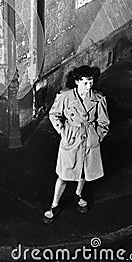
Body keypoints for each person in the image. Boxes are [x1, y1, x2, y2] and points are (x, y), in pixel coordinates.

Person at [43, 65, 110, 224]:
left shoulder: (98, 99)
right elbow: (54, 114)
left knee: (84, 171)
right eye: (86, 82)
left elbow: (104, 122)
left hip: (89, 138)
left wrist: (96, 137)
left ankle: (79, 195)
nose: (89, 85)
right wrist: (63, 131)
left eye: (91, 81)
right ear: (77, 81)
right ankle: (54, 205)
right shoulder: (65, 96)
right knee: (64, 175)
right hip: (71, 137)